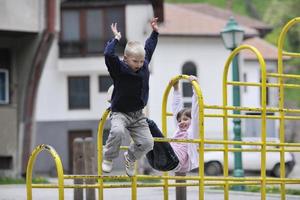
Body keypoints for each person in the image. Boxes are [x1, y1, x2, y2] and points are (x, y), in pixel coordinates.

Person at [102, 18, 159, 176]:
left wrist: (155, 32)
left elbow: (149, 47)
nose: (139, 64)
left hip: (138, 115)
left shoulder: (144, 65)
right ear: (126, 59)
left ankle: (131, 157)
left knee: (148, 143)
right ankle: (108, 157)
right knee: (118, 132)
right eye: (135, 61)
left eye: (141, 61)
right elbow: (108, 54)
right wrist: (116, 39)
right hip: (120, 112)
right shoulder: (119, 68)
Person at [146, 76, 200, 173]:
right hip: (156, 162)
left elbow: (196, 111)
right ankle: (133, 153)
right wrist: (176, 88)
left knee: (150, 125)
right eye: (179, 121)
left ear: (192, 120)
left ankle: (135, 117)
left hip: (174, 161)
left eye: (185, 119)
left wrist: (195, 88)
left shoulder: (193, 132)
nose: (181, 122)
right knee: (144, 133)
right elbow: (176, 108)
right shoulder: (178, 131)